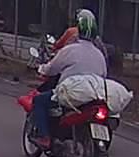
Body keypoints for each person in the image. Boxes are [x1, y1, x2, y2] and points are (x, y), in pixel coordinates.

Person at [31, 9, 107, 148]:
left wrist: (41, 69)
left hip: (69, 94)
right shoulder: (99, 55)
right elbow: (104, 75)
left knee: (39, 101)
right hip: (93, 96)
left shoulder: (70, 50)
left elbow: (52, 68)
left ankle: (44, 137)